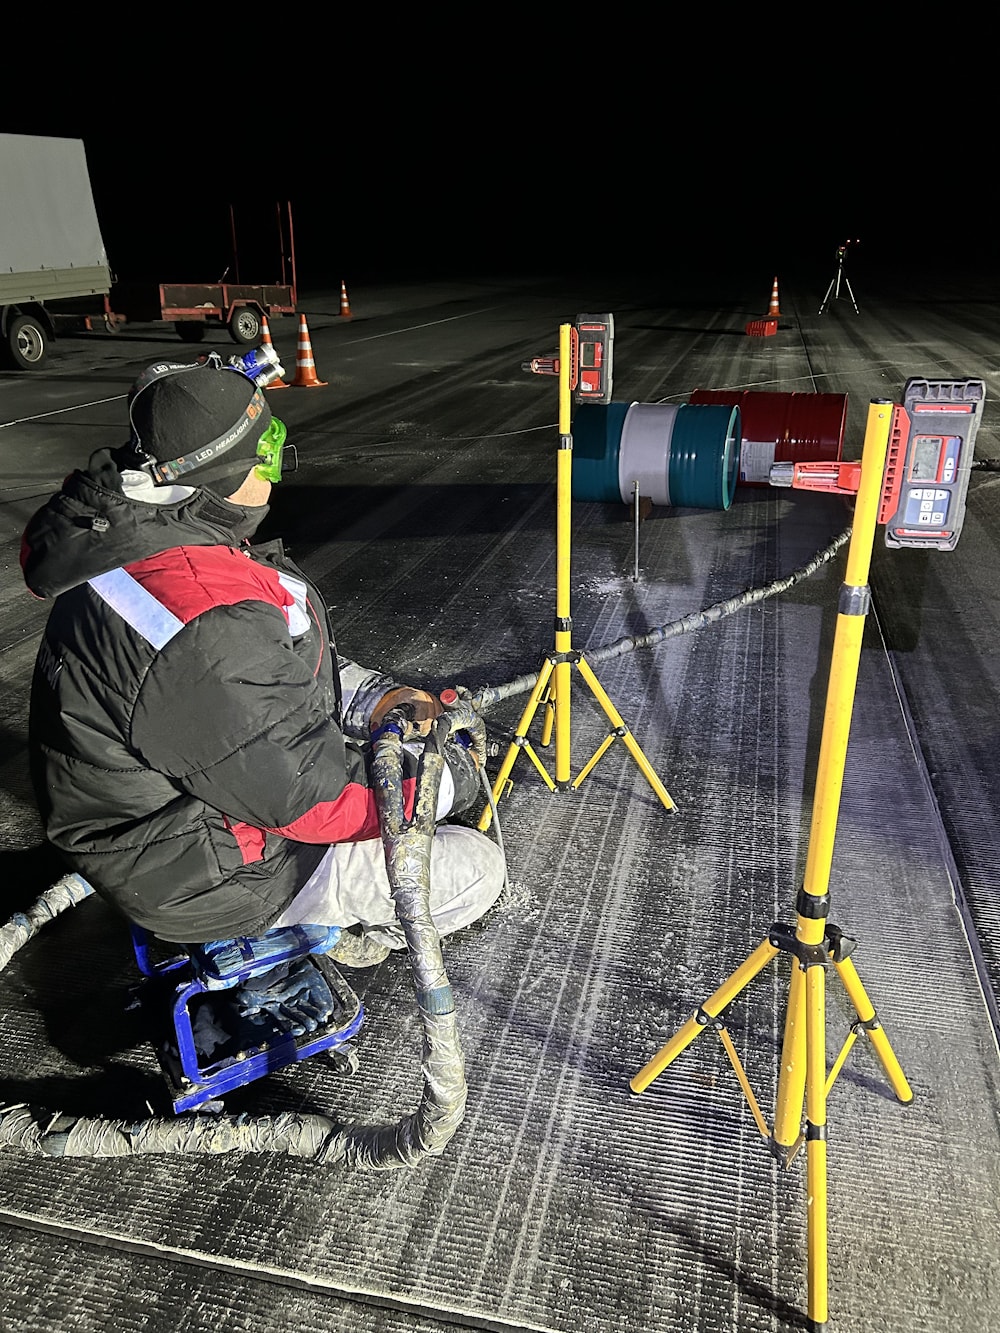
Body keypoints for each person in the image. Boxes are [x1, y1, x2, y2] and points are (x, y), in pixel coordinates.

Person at [20, 352, 506, 973]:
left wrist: (380, 698)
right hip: (206, 871)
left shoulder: (148, 531)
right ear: (214, 474)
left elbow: (276, 672)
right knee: (472, 867)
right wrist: (439, 783)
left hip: (196, 794)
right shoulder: (201, 624)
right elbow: (306, 797)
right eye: (267, 454)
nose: (278, 471)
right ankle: (357, 932)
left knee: (392, 769)